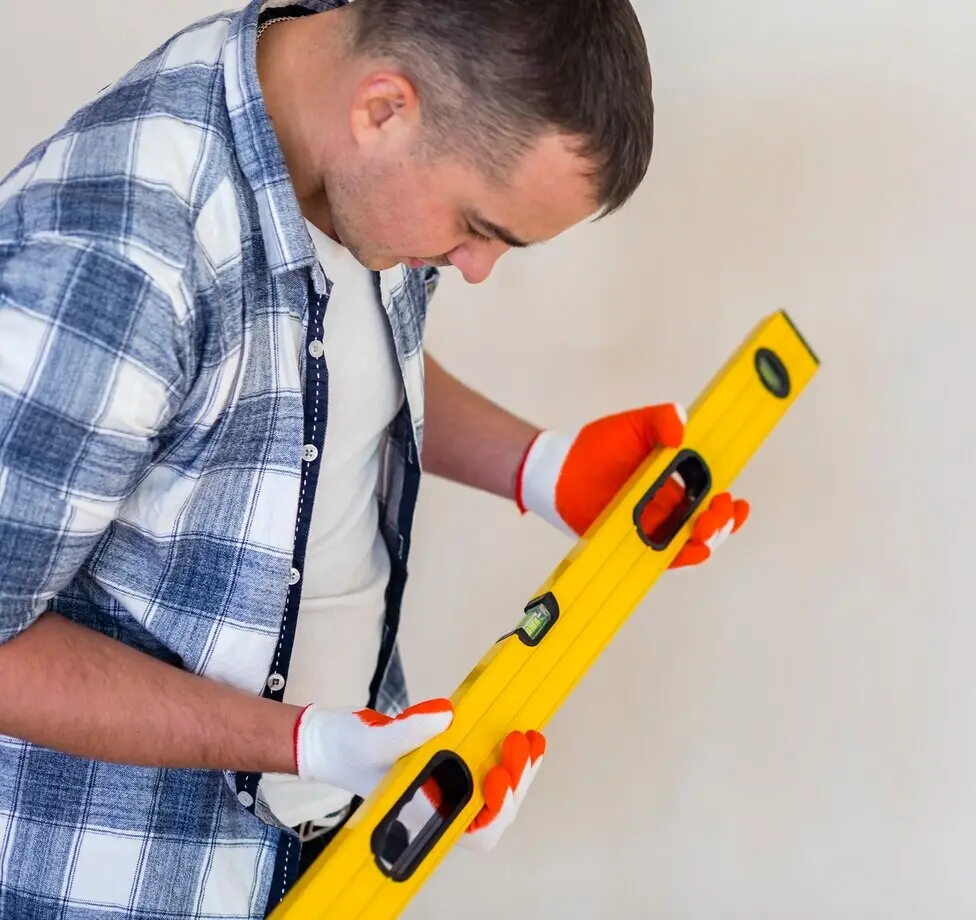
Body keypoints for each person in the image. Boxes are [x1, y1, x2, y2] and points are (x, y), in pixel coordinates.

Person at [0, 0, 751, 916]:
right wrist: (306, 744)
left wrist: (538, 465)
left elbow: (304, 361)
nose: (474, 269)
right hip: (121, 883)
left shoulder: (336, 119)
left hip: (322, 860)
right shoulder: (118, 258)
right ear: (385, 108)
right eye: (479, 227)